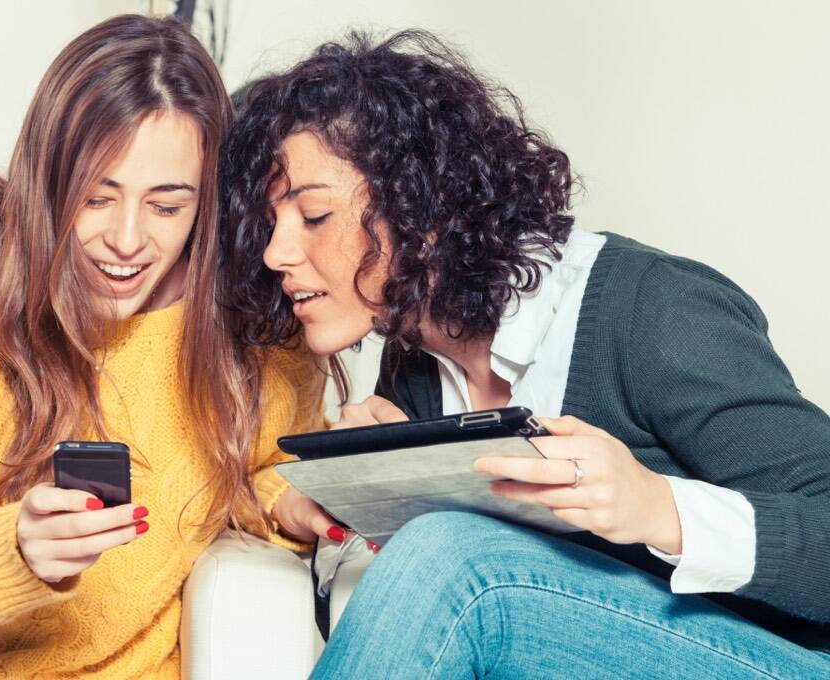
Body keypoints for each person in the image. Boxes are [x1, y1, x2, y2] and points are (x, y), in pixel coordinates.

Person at [218, 30, 830, 677]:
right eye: (272, 222)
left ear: (422, 207)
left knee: (451, 558)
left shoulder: (653, 311)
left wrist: (656, 506)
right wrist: (376, 490)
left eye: (313, 216)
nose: (276, 253)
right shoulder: (416, 362)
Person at [0, 14, 331, 679]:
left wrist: (307, 496)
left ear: (205, 206)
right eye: (96, 197)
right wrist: (14, 552)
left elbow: (269, 471)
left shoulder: (253, 328)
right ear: (47, 179)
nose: (125, 239)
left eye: (167, 206)